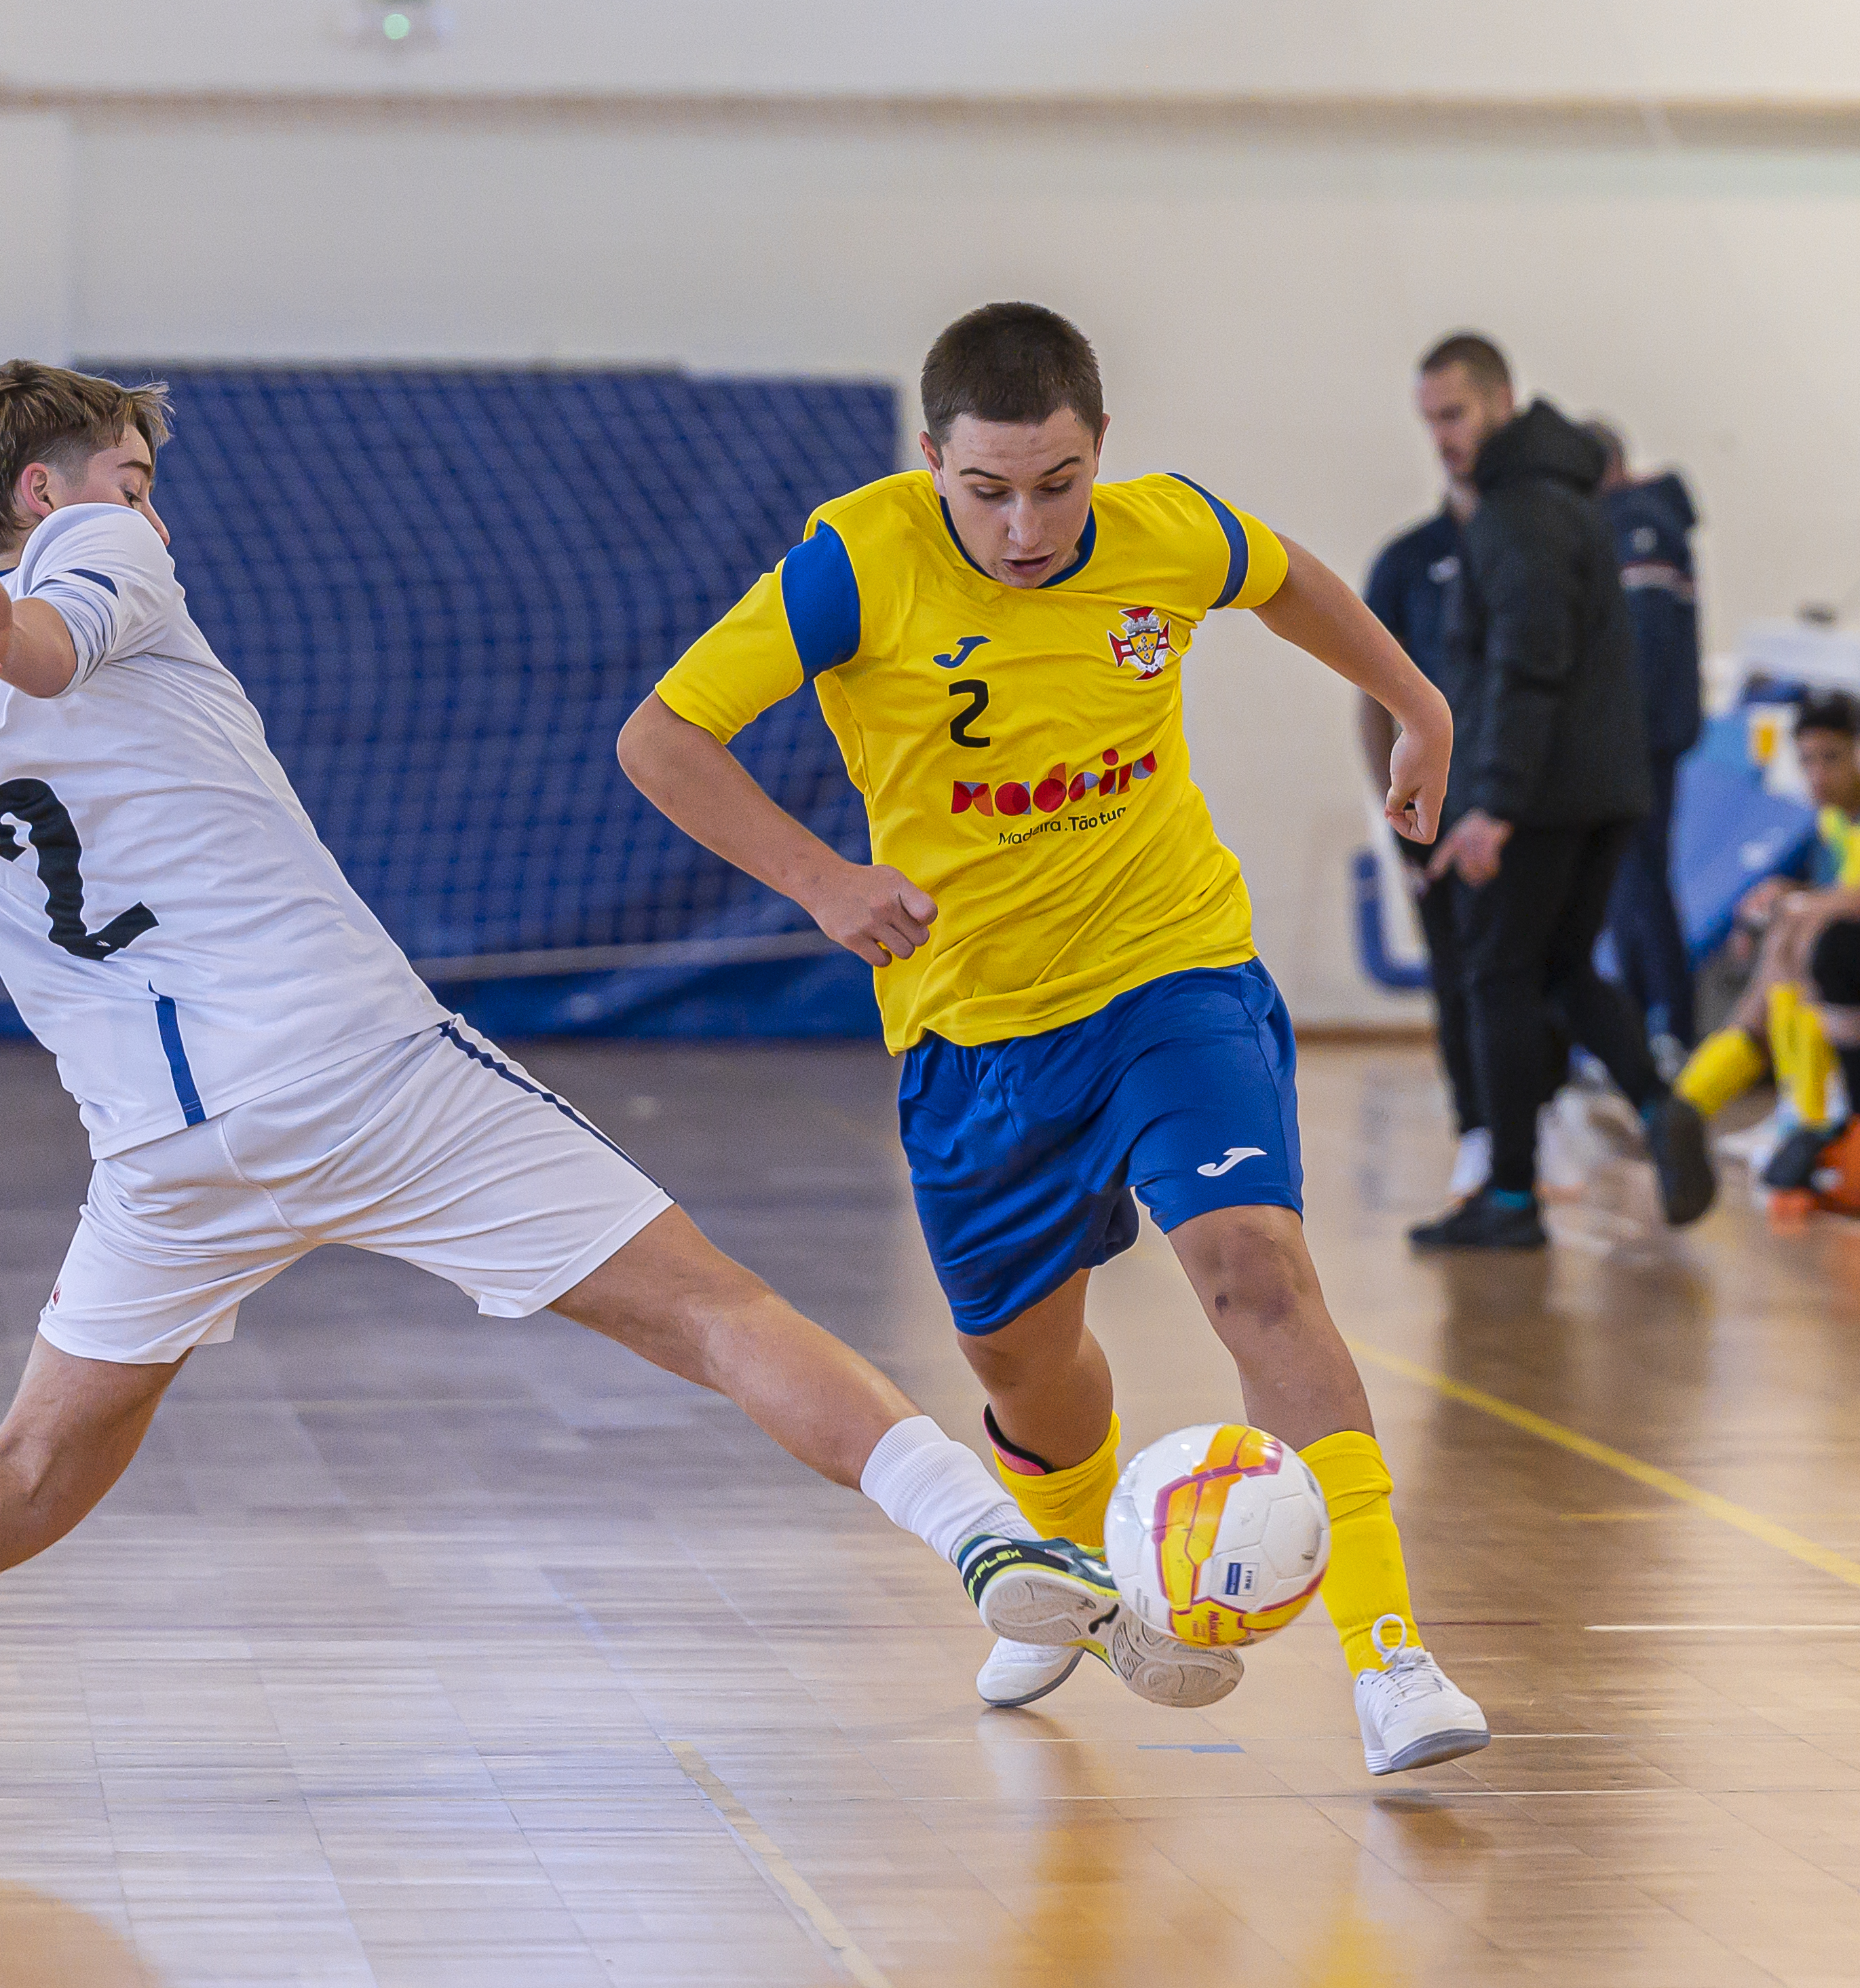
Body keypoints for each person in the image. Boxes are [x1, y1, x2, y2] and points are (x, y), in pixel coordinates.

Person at [0, 360, 1235, 1801]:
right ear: (45, 489)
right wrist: (16, 633)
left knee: (24, 1473)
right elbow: (62, 632)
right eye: (134, 480)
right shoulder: (99, 553)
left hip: (167, 1149)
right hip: (347, 1062)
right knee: (714, 1312)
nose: (154, 512)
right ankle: (989, 1536)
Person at [617, 302, 1488, 1773]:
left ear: (1100, 454)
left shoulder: (1165, 534)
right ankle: (1063, 1566)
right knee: (1023, 1367)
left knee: (1256, 1274)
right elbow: (661, 738)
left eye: (1056, 483)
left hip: (1168, 970)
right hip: (974, 1033)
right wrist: (822, 882)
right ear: (929, 459)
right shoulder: (853, 563)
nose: (1025, 525)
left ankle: (1388, 1659)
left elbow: (1282, 582)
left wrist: (1412, 703)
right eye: (987, 489)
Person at [1407, 333, 1716, 1251]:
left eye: (1454, 414)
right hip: (1599, 783)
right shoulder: (1564, 496)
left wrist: (1490, 804)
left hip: (1537, 793)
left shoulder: (1518, 513)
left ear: (1500, 399)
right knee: (1561, 968)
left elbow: (1523, 666)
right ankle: (1659, 1107)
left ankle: (1508, 1196)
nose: (1441, 437)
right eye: (1428, 420)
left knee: (1497, 975)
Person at [1677, 692, 1860, 1181]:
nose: (1817, 775)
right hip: (1847, 946)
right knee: (1787, 934)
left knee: (1796, 936)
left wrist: (1799, 903)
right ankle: (1696, 1107)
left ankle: (1736, 1104)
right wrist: (1787, 894)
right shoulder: (1833, 821)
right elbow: (1840, 891)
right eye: (1806, 761)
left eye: (1831, 758)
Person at [1361, 480, 1486, 1195]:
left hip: (1513, 809)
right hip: (1437, 818)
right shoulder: (1408, 559)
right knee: (1456, 974)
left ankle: (1542, 1115)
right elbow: (1371, 699)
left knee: (1527, 977)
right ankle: (1475, 1127)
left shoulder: (1521, 547)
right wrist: (1398, 814)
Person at [1586, 419, 1706, 1055]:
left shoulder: (1639, 525)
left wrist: (1613, 729)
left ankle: (1671, 1027)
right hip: (1637, 733)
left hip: (1642, 738)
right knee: (1630, 881)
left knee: (1642, 880)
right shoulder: (1635, 520)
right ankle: (1639, 1023)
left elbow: (1646, 645)